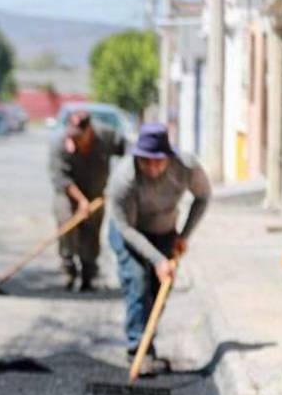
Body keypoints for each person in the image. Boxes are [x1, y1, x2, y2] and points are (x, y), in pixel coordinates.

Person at [106, 122, 211, 371]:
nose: (151, 167)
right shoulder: (124, 179)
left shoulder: (186, 167)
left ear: (168, 156)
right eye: (145, 161)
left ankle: (147, 343)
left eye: (158, 161)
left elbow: (203, 197)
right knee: (137, 280)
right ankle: (136, 350)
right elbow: (126, 228)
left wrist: (184, 235)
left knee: (159, 289)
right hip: (129, 232)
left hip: (164, 232)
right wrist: (157, 260)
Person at [48, 110, 125, 291]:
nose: (73, 140)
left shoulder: (105, 136)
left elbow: (127, 150)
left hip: (96, 194)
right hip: (68, 193)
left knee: (92, 228)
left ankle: (89, 273)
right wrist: (81, 201)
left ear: (89, 129)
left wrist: (121, 181)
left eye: (78, 136)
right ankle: (68, 270)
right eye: (71, 135)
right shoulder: (60, 144)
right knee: (66, 221)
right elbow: (60, 178)